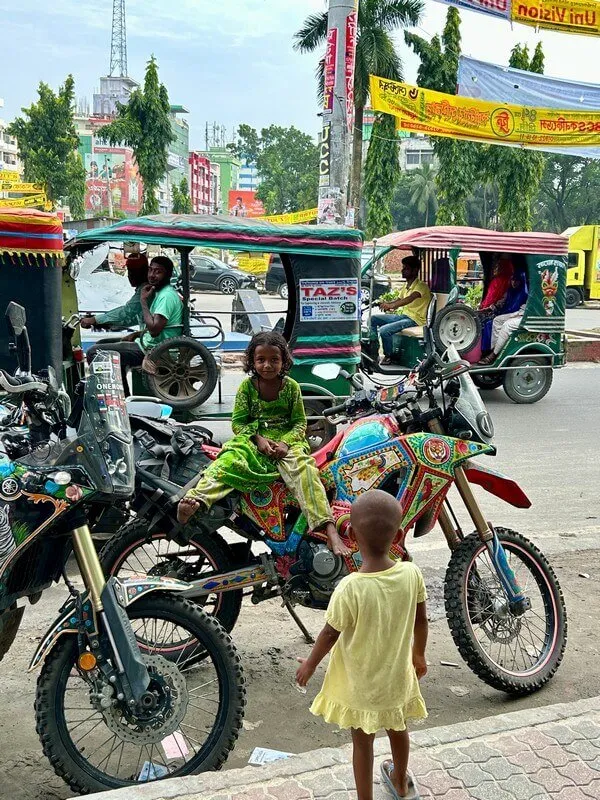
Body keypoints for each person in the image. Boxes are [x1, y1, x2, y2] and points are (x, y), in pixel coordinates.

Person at [296, 490, 428, 800]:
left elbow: (329, 634)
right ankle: (399, 782)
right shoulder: (411, 574)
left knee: (363, 743)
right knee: (398, 729)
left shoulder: (350, 587)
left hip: (361, 686)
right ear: (398, 534)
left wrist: (309, 665)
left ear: (352, 535)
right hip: (396, 679)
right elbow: (421, 621)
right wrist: (419, 653)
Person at [177, 331, 350, 557]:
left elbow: (299, 423)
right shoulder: (247, 388)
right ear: (252, 361)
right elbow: (239, 423)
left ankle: (328, 528)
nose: (267, 365)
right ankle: (197, 499)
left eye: (274, 360)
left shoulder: (291, 387)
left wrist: (286, 444)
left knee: (306, 470)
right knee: (229, 460)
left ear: (284, 361)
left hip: (286, 442)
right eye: (261, 360)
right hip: (252, 439)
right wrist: (258, 439)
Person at [86, 255, 183, 393]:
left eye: (158, 272)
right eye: (151, 270)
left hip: (153, 350)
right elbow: (158, 325)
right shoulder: (158, 291)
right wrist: (137, 334)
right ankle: (123, 396)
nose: (152, 275)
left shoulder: (165, 296)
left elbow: (154, 329)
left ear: (167, 275)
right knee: (102, 344)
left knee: (94, 353)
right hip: (149, 343)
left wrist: (143, 301)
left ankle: (114, 400)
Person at [370, 256, 431, 365]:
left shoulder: (421, 286)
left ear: (415, 270)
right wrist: (386, 304)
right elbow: (399, 300)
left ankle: (389, 357)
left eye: (406, 268)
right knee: (373, 319)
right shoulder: (407, 285)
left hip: (415, 320)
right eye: (403, 268)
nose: (402, 270)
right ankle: (373, 352)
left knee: (384, 331)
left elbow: (409, 299)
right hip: (404, 316)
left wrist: (391, 305)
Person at [80, 253, 149, 332]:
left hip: (151, 340)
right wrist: (103, 321)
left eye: (132, 272)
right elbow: (133, 318)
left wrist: (96, 319)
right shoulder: (142, 289)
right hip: (145, 336)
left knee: (100, 344)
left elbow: (127, 312)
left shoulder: (146, 289)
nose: (129, 276)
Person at [478, 272, 528, 365]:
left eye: (516, 281)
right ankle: (495, 348)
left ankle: (494, 354)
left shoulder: (524, 292)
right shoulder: (510, 291)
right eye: (512, 280)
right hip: (515, 313)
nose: (514, 283)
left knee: (507, 325)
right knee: (497, 320)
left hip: (523, 314)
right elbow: (502, 302)